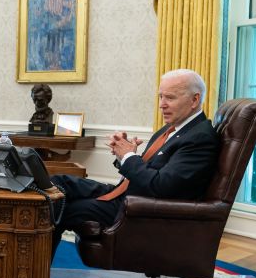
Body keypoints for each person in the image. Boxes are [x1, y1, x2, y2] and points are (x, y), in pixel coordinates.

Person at [49, 69, 220, 259]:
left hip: (141, 209)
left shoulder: (200, 138)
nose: (162, 105)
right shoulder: (172, 129)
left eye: (170, 98)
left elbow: (161, 186)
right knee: (58, 183)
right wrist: (125, 154)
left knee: (63, 208)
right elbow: (149, 170)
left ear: (194, 100)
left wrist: (129, 157)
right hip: (125, 193)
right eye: (160, 97)